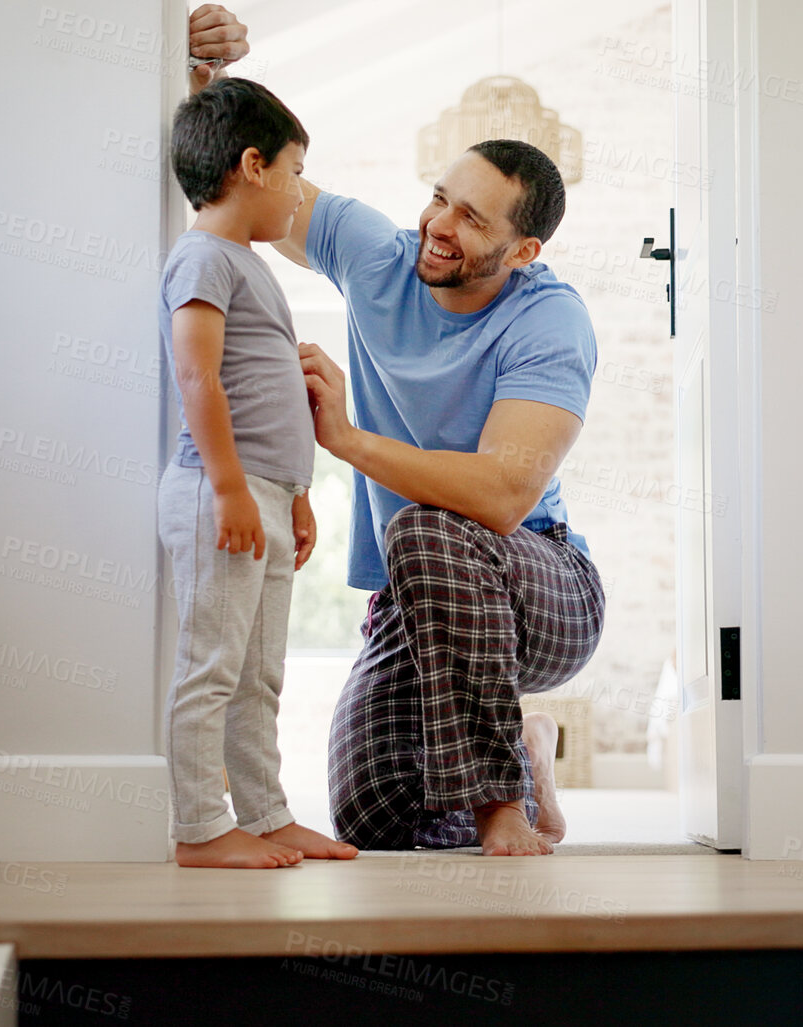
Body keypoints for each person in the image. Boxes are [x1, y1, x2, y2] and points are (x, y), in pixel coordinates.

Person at [185, 9, 604, 857]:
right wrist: (200, 79)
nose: (439, 226)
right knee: (377, 816)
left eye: (472, 220)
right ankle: (523, 755)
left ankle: (501, 808)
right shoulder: (377, 256)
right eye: (440, 198)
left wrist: (345, 441)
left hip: (542, 584)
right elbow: (253, 178)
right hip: (416, 601)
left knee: (429, 524)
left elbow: (500, 496)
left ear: (521, 252)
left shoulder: (550, 322)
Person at [157, 75, 357, 868]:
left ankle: (266, 812)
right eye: (296, 172)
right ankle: (200, 828)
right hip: (220, 492)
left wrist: (296, 494)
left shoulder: (245, 262)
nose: (299, 192)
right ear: (252, 165)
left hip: (266, 495)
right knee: (212, 668)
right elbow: (197, 377)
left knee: (258, 674)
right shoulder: (203, 257)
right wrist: (232, 486)